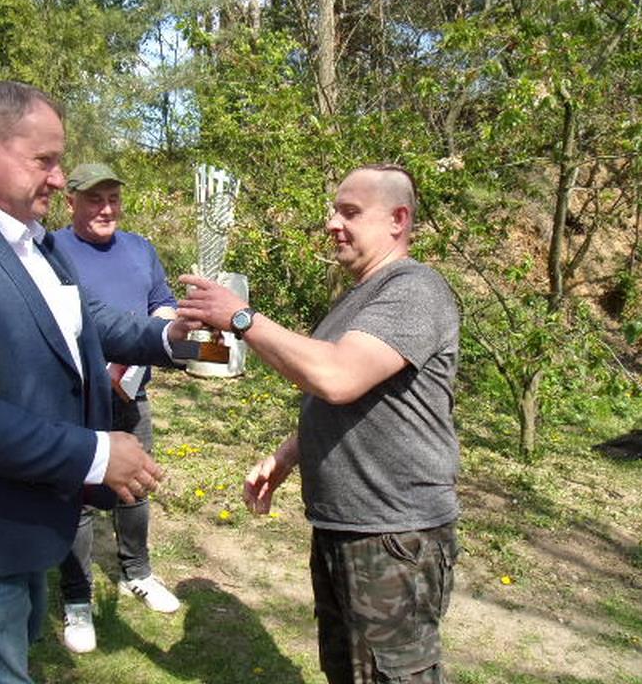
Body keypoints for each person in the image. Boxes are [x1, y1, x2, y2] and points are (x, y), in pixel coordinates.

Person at [0, 81, 196, 684]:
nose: (57, 179)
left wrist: (170, 338)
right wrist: (98, 453)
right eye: (45, 160)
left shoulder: (35, 240)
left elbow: (84, 321)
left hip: (24, 518)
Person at [178, 163, 461, 684]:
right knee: (347, 671)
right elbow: (346, 396)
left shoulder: (416, 290)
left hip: (393, 534)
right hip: (344, 525)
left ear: (398, 220)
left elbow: (337, 376)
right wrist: (289, 455)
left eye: (350, 212)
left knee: (393, 676)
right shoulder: (358, 296)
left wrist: (241, 318)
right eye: (334, 210)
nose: (333, 223)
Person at [50, 162, 181, 654]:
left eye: (113, 199)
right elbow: (51, 322)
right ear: (71, 202)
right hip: (75, 399)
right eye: (94, 199)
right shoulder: (52, 250)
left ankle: (137, 574)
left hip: (134, 393)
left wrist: (134, 363)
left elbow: (162, 304)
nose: (106, 209)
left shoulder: (140, 248)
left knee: (135, 485)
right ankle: (77, 598)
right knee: (77, 496)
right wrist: (102, 370)